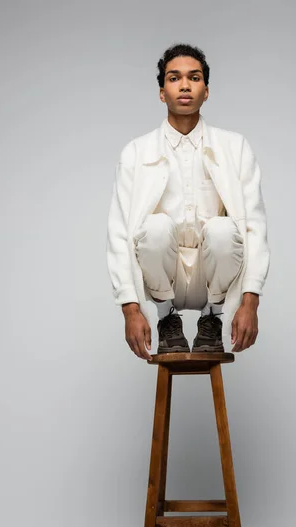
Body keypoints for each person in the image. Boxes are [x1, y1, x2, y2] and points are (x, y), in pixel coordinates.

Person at [106, 43, 270, 360]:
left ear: (205, 90)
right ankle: (168, 319)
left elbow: (255, 227)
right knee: (153, 227)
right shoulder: (136, 152)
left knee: (224, 228)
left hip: (216, 278)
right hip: (162, 277)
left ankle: (211, 318)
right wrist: (130, 308)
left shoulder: (234, 147)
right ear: (161, 91)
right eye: (174, 78)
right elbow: (118, 233)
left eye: (194, 78)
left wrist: (251, 301)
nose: (184, 85)